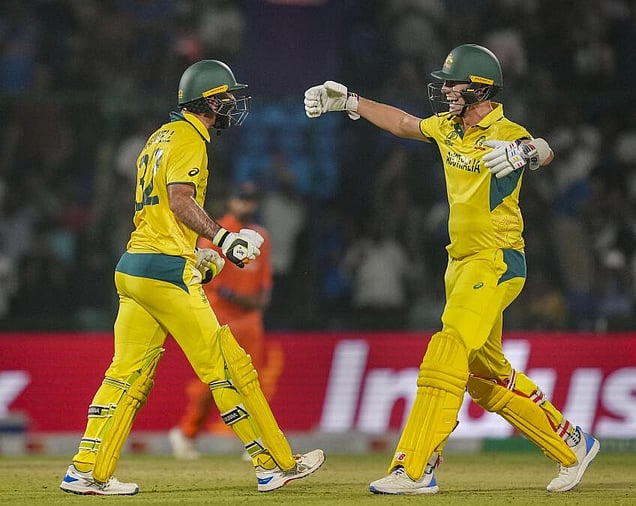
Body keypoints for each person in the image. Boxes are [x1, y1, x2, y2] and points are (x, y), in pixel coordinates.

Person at [304, 43, 599, 494]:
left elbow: (543, 149)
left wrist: (528, 153)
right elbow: (403, 124)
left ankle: (415, 467)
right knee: (485, 378)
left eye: (453, 84)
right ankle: (572, 444)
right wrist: (351, 102)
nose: (444, 91)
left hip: (496, 260)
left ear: (480, 89)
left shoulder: (507, 132)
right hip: (459, 264)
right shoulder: (447, 127)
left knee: (448, 348)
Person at [60, 59, 325, 496]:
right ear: (209, 101)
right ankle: (274, 464)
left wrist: (201, 258)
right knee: (228, 365)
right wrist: (224, 238)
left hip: (135, 267)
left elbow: (162, 215)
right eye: (226, 98)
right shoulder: (189, 139)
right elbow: (180, 200)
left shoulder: (159, 136)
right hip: (165, 271)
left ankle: (86, 471)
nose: (231, 106)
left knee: (125, 375)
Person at [169, 181, 282, 460]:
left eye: (251, 200)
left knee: (252, 382)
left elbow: (264, 284)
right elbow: (209, 283)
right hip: (219, 318)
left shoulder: (260, 236)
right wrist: (238, 298)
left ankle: (258, 438)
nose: (246, 204)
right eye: (241, 199)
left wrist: (255, 302)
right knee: (212, 382)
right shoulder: (216, 233)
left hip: (250, 321)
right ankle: (187, 433)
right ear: (231, 201)